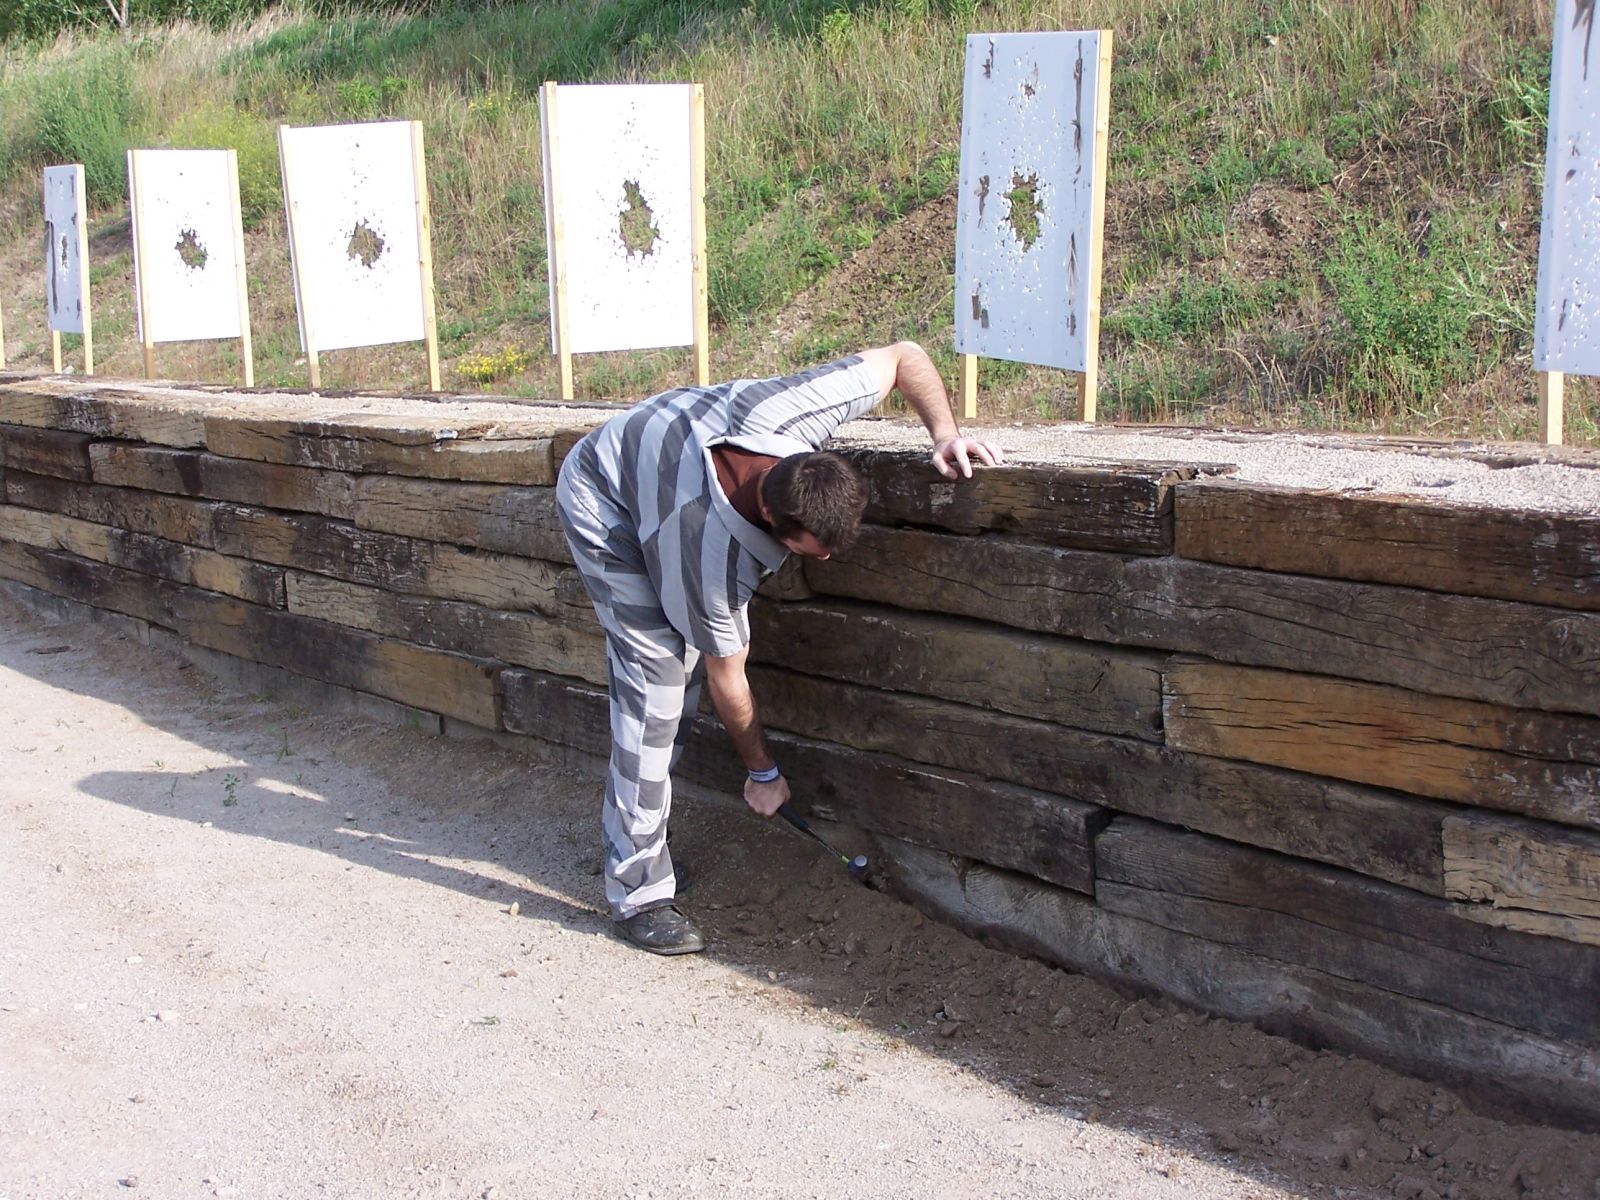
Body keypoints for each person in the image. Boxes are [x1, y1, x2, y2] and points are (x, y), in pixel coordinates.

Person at [555, 341, 1004, 954]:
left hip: (662, 443)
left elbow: (905, 356)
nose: (825, 560)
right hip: (605, 496)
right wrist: (762, 773)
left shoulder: (794, 416)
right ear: (775, 524)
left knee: (677, 677)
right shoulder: (713, 556)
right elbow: (727, 679)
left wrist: (945, 433)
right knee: (657, 689)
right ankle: (638, 893)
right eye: (815, 551)